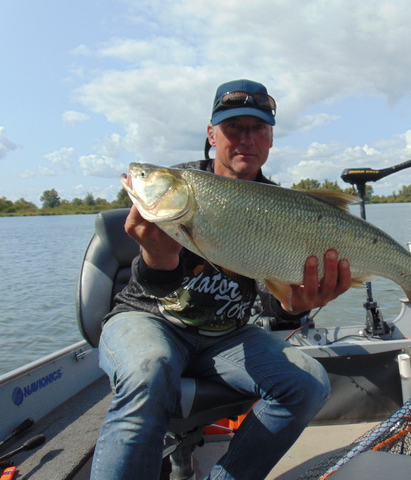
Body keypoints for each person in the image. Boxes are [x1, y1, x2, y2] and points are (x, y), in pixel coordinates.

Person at [91, 79, 352, 480]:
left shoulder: (283, 206)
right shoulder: (177, 185)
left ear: (269, 139)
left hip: (227, 335)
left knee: (308, 384)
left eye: (258, 128)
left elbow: (268, 300)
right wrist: (158, 257)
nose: (246, 138)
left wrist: (292, 307)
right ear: (212, 135)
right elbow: (152, 285)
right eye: (234, 127)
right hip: (148, 317)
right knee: (149, 367)